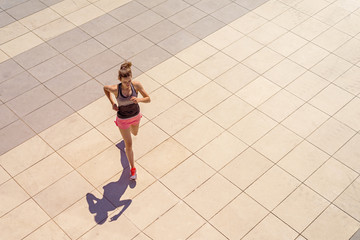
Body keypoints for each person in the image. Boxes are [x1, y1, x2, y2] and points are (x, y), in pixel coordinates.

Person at [104, 61, 150, 180]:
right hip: (123, 120)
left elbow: (148, 99)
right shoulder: (115, 89)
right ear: (120, 79)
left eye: (129, 80)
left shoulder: (136, 85)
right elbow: (105, 88)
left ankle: (126, 137)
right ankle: (133, 169)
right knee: (129, 145)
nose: (128, 83)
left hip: (135, 116)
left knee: (135, 133)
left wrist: (139, 100)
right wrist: (112, 103)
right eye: (125, 82)